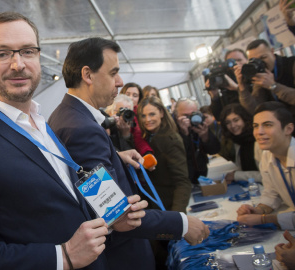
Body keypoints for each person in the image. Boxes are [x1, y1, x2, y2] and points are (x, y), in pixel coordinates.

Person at [0, 12, 147, 270]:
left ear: (38, 57)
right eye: (2, 54)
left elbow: (63, 204)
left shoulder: (41, 124)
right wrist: (63, 256)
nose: (18, 64)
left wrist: (113, 218)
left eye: (27, 51)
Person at [48, 37, 209, 270]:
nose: (120, 82)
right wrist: (182, 224)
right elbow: (116, 212)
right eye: (113, 73)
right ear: (87, 75)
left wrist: (115, 157)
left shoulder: (67, 116)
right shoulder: (81, 129)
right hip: (122, 255)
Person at [237, 102, 295, 228]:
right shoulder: (267, 155)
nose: (259, 132)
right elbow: (272, 192)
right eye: (255, 126)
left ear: (288, 129)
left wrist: (264, 219)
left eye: (268, 125)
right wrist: (259, 210)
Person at [138, 96, 192, 213]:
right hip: (155, 206)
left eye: (152, 114)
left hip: (170, 206)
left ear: (161, 113)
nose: (147, 119)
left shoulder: (171, 140)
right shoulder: (145, 138)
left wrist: (177, 215)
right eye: (143, 116)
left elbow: (182, 181)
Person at [235, 39, 295, 117]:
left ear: (272, 52)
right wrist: (242, 87)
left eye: (263, 57)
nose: (260, 63)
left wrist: (274, 86)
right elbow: (255, 109)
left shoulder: (291, 64)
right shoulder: (260, 74)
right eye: (254, 60)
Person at [175, 98, 221, 184]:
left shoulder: (200, 124)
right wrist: (184, 134)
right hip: (183, 177)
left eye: (193, 114)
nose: (190, 119)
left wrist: (205, 136)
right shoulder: (172, 129)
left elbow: (215, 150)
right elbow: (178, 155)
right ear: (177, 115)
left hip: (201, 173)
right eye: (185, 115)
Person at [218, 104, 262, 184]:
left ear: (245, 119)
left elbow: (266, 176)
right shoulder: (238, 141)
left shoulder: (259, 141)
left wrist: (236, 175)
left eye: (236, 120)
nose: (233, 126)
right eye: (228, 122)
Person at [206, 48, 248, 120]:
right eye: (231, 62)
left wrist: (237, 88)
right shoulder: (225, 87)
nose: (236, 64)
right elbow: (220, 117)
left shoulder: (254, 80)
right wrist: (215, 97)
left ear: (247, 60)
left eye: (239, 60)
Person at [119, 83, 153, 156]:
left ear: (139, 99)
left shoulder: (141, 115)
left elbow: (139, 137)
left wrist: (147, 153)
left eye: (135, 95)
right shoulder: (113, 112)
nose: (131, 98)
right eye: (127, 94)